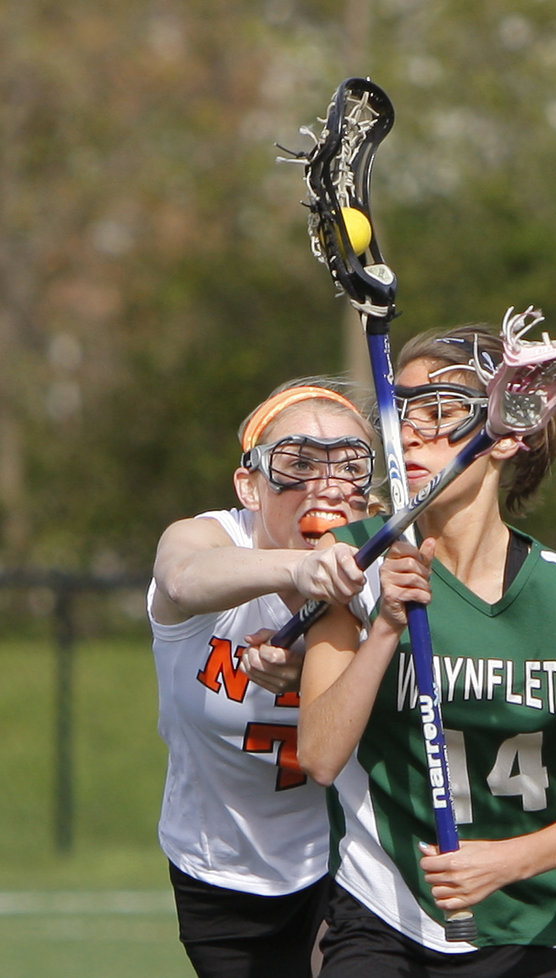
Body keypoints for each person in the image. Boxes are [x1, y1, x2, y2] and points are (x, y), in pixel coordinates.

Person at [292, 326, 556, 977]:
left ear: (505, 435)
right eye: (401, 412)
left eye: (439, 414)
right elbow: (318, 755)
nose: (409, 436)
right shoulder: (357, 559)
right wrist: (384, 628)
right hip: (389, 917)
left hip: (548, 929)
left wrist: (508, 861)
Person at [147, 379, 381, 978]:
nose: (326, 485)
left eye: (349, 465)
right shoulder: (210, 537)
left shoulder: (384, 567)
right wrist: (308, 568)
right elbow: (183, 578)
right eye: (297, 463)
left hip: (348, 859)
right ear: (248, 486)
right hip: (220, 865)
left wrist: (315, 678)